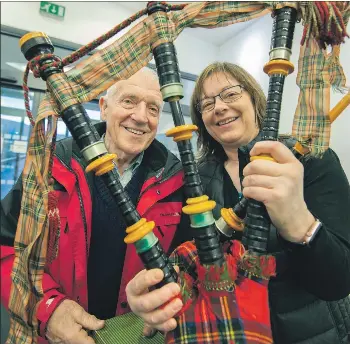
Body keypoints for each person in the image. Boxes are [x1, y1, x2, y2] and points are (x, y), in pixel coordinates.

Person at [126, 62, 350, 343]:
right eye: (207, 104)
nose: (219, 107)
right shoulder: (196, 180)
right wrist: (159, 296)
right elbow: (189, 265)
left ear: (254, 99)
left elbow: (339, 280)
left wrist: (298, 223)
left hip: (313, 334)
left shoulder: (311, 161)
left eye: (230, 94)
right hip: (228, 332)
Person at [0, 67, 186, 344]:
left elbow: (186, 263)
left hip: (133, 336)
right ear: (103, 107)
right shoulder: (51, 165)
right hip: (54, 336)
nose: (140, 117)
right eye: (129, 101)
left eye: (153, 108)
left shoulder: (177, 182)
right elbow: (5, 248)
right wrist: (47, 308)